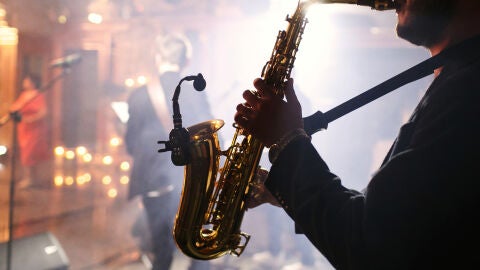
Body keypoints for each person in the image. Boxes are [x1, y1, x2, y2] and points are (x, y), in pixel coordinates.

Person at [234, 0, 480, 269]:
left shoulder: (468, 90)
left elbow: (371, 246)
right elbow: (393, 222)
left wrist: (288, 143)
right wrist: (283, 191)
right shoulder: (459, 80)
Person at [125, 33, 213, 270]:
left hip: (154, 183)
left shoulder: (139, 95)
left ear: (157, 58)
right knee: (198, 250)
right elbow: (211, 137)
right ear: (186, 61)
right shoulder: (194, 91)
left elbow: (131, 143)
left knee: (161, 252)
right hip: (190, 182)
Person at [9, 74, 50, 189]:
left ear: (32, 82)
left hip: (35, 128)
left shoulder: (38, 95)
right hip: (24, 127)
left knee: (31, 152)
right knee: (25, 152)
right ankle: (29, 177)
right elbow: (15, 107)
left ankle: (32, 178)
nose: (24, 83)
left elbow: (43, 111)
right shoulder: (23, 95)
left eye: (26, 81)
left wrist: (31, 119)